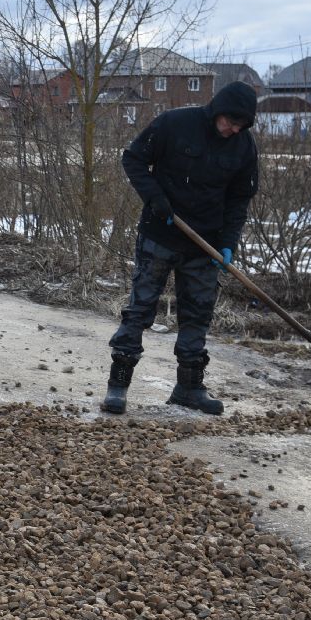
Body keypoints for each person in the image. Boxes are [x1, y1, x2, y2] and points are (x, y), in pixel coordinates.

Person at [102, 81, 259, 416]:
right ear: (218, 110)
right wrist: (155, 199)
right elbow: (133, 160)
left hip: (206, 243)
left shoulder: (243, 146)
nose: (233, 130)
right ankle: (118, 384)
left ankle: (188, 388)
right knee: (140, 310)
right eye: (230, 122)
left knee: (197, 315)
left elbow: (239, 199)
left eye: (240, 126)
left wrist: (228, 243)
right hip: (160, 233)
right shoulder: (174, 123)